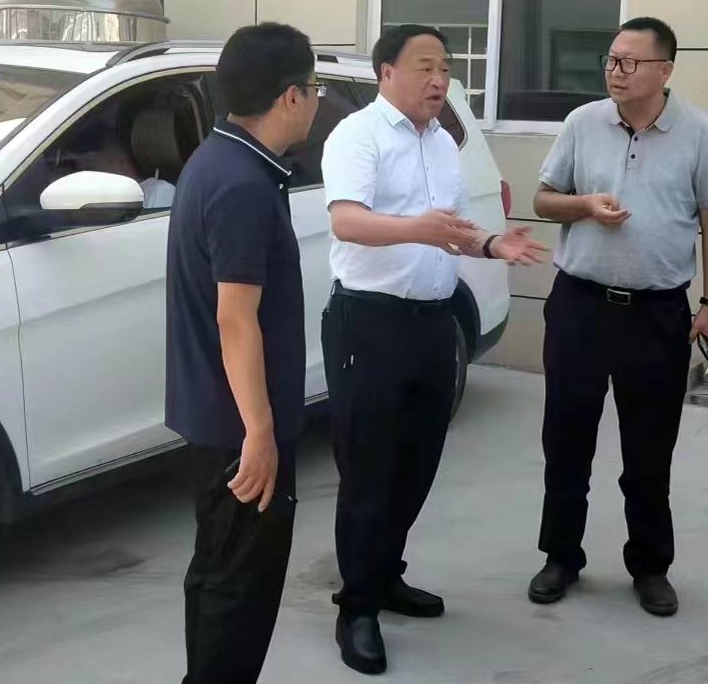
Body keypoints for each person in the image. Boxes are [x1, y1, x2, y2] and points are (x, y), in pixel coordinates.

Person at [320, 24, 547, 675]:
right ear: (386, 72)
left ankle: (386, 574)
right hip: (370, 323)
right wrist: (415, 229)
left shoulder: (443, 142)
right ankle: (356, 608)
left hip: (433, 322)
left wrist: (490, 244)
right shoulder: (356, 135)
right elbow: (346, 220)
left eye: (445, 68)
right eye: (425, 66)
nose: (439, 79)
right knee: (368, 469)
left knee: (417, 462)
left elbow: (451, 228)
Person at [526, 16, 708, 617]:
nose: (615, 72)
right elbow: (543, 200)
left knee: (649, 451)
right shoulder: (581, 123)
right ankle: (560, 556)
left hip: (657, 315)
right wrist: (584, 206)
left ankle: (650, 566)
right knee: (566, 442)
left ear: (664, 70)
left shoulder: (697, 132)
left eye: (629, 62)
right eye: (611, 60)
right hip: (581, 306)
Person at [164, 23, 321, 684]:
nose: (316, 100)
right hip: (239, 430)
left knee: (217, 576)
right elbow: (236, 319)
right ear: (290, 97)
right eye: (314, 87)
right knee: (240, 593)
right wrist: (260, 433)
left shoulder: (219, 160)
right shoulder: (242, 186)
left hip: (216, 416)